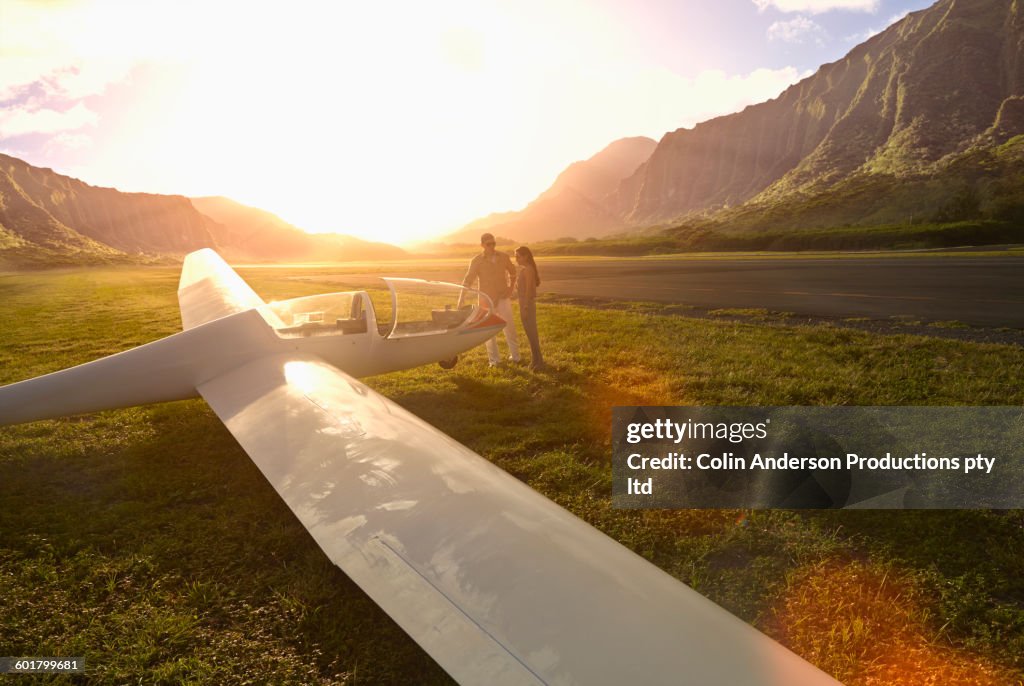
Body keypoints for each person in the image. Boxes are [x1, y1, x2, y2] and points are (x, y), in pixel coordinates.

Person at [460, 232, 520, 367]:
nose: (492, 246)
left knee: (509, 326)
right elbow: (468, 280)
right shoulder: (476, 261)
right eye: (489, 244)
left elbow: (513, 272)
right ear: (482, 245)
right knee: (487, 331)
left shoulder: (504, 257)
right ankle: (494, 361)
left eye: (494, 243)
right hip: (485, 299)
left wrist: (511, 289)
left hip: (503, 296)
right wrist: (461, 298)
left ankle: (516, 356)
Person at [514, 245, 545, 371]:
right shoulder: (526, 269)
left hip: (527, 304)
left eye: (518, 256)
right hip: (524, 303)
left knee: (532, 333)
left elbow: (528, 291)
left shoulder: (528, 270)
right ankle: (537, 360)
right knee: (530, 333)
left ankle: (538, 361)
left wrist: (525, 307)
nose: (516, 259)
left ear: (526, 256)